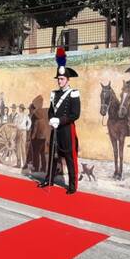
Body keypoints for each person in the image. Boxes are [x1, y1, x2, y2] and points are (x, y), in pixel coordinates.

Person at [38, 47, 81, 195]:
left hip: (67, 129)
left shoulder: (74, 93)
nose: (60, 81)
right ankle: (49, 179)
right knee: (53, 155)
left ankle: (72, 185)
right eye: (58, 79)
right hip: (55, 129)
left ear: (68, 80)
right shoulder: (54, 94)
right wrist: (51, 119)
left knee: (70, 156)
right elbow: (51, 111)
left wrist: (60, 120)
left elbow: (75, 114)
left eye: (62, 79)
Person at [15, 104, 31, 168]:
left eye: (20, 108)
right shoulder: (18, 115)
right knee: (18, 148)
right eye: (19, 108)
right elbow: (15, 123)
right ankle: (18, 164)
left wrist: (27, 128)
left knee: (23, 148)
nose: (19, 109)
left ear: (22, 109)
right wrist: (16, 126)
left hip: (23, 131)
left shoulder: (26, 116)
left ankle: (25, 164)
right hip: (18, 131)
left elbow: (30, 122)